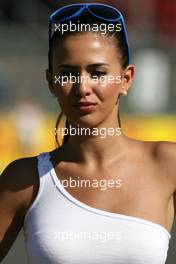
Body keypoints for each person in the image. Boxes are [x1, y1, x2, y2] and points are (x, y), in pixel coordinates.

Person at [0, 3, 176, 264]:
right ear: (51, 82)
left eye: (98, 72)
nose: (82, 87)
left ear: (126, 79)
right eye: (68, 73)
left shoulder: (167, 163)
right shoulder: (23, 180)